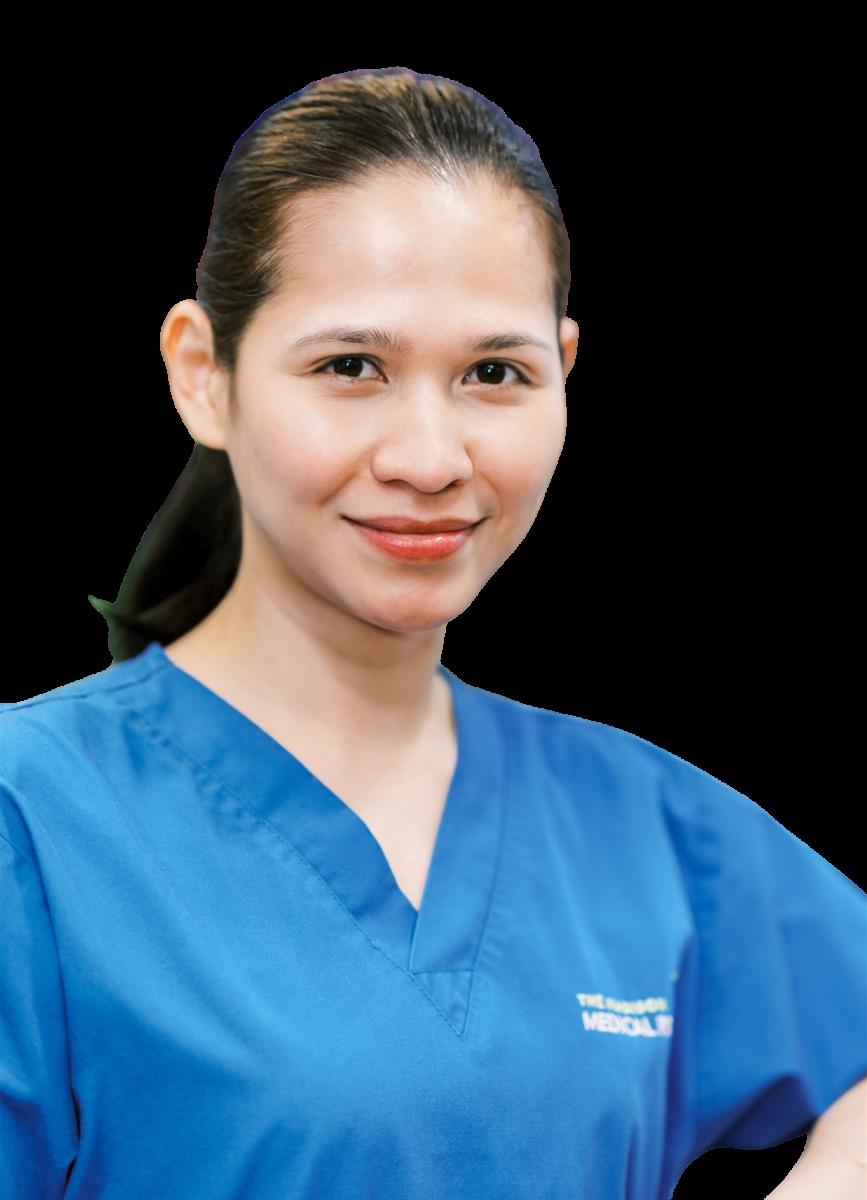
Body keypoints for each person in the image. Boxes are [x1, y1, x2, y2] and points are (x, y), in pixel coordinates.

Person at [1, 68, 864, 1200]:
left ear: (562, 373)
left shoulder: (642, 819)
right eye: (350, 367)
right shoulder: (33, 817)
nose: (430, 458)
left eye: (494, 373)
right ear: (204, 375)